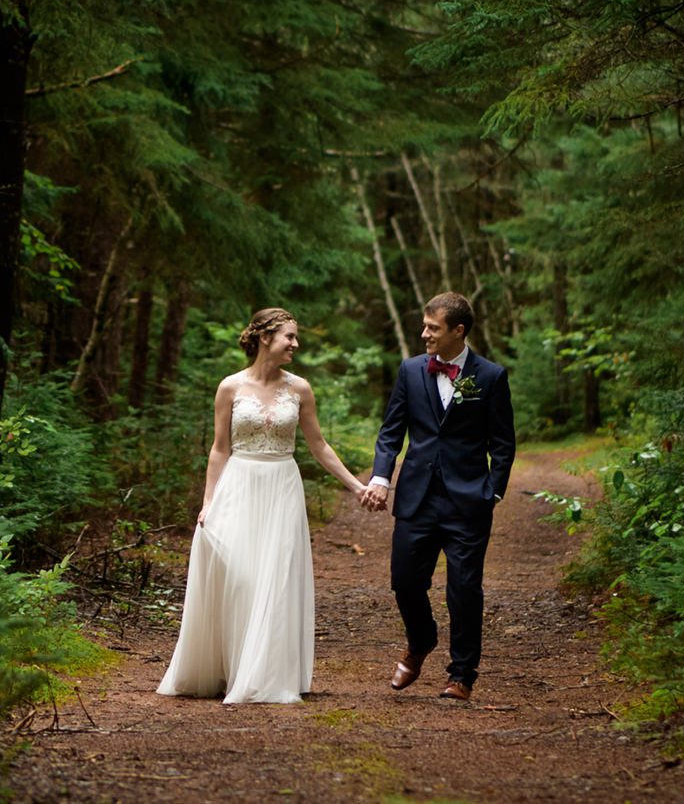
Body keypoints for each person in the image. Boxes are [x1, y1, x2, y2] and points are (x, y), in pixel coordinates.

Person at [158, 307, 370, 704]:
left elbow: (319, 446)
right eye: (289, 336)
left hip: (282, 488)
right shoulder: (230, 388)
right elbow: (219, 449)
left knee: (274, 577)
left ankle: (264, 675)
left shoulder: (300, 389)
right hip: (239, 485)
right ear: (264, 338)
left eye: (295, 337)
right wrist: (208, 503)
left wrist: (356, 486)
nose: (295, 343)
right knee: (240, 576)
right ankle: (229, 667)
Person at [361, 291, 516, 701]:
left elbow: (503, 443)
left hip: (469, 500)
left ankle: (462, 674)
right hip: (417, 496)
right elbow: (392, 431)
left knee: (464, 588)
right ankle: (421, 639)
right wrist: (381, 476)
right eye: (425, 325)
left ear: (458, 331)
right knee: (405, 581)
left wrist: (492, 493)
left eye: (433, 327)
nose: (424, 333)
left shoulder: (491, 377)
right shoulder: (411, 371)